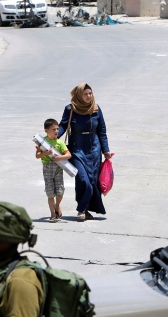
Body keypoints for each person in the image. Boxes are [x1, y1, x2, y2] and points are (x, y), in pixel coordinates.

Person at [58, 83, 113, 222]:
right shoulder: (71, 109)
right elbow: (63, 126)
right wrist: (51, 139)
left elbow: (102, 131)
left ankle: (84, 209)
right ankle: (81, 208)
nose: (89, 96)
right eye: (85, 94)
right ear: (79, 95)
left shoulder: (96, 109)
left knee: (93, 181)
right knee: (83, 179)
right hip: (77, 148)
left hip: (94, 149)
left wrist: (105, 150)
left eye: (90, 93)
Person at [34, 118, 70, 223]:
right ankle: (53, 215)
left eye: (57, 129)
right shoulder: (42, 142)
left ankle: (57, 206)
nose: (56, 131)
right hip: (47, 168)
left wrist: (61, 158)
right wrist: (46, 153)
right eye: (53, 129)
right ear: (46, 130)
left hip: (58, 168)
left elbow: (68, 154)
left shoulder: (60, 142)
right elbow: (37, 155)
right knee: (50, 192)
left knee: (60, 192)